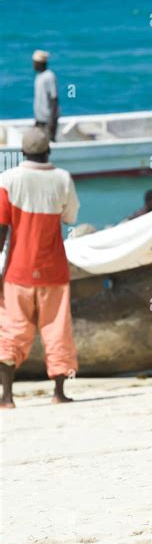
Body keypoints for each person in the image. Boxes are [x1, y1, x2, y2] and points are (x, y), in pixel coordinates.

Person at [0, 128, 80, 407]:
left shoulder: (8, 180)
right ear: (48, 151)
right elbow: (70, 216)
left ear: (22, 152)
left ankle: (7, 397)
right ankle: (58, 393)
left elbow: (1, 230)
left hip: (17, 271)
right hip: (54, 269)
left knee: (12, 330)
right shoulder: (62, 178)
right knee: (57, 328)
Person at [32, 49, 60, 141]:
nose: (33, 65)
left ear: (40, 63)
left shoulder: (49, 76)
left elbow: (54, 99)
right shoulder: (39, 76)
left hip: (47, 120)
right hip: (40, 120)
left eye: (35, 62)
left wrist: (52, 122)